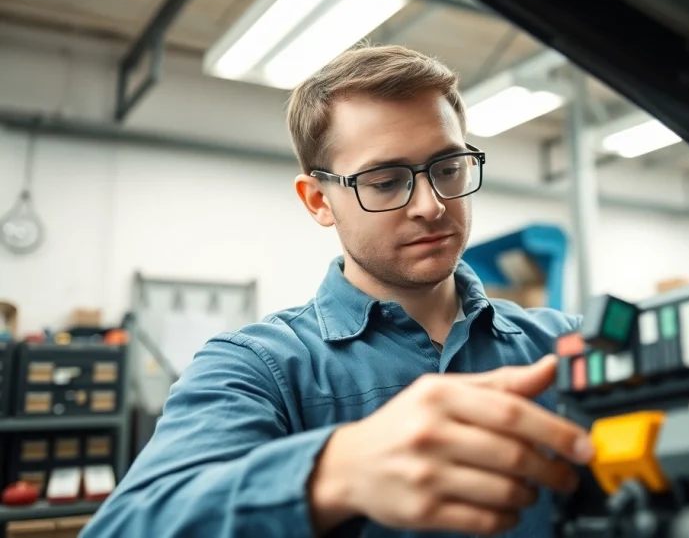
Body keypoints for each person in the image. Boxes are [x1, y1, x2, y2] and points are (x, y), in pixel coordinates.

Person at [79, 44, 593, 538]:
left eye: (448, 169)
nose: (431, 205)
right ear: (318, 201)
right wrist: (334, 472)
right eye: (386, 181)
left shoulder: (563, 344)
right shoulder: (258, 367)